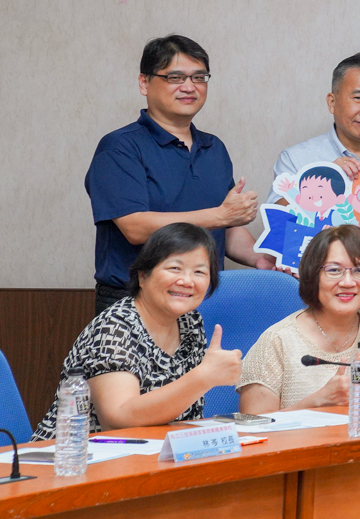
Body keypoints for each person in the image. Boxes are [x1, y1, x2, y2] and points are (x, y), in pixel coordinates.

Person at [85, 34, 264, 312]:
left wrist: (259, 259)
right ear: (144, 83)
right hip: (135, 301)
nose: (189, 87)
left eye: (199, 77)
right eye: (175, 77)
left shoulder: (214, 147)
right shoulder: (120, 147)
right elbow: (134, 227)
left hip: (204, 298)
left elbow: (226, 229)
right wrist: (220, 215)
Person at [36, 223, 242, 436]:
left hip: (158, 449)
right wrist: (203, 377)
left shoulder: (190, 322)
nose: (187, 281)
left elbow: (187, 414)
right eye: (175, 268)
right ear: (142, 276)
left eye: (199, 272)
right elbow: (118, 421)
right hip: (74, 451)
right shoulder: (114, 327)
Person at [238, 224, 360, 413]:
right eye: (334, 270)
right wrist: (318, 401)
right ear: (312, 276)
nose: (348, 282)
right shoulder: (277, 340)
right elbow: (254, 427)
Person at [271, 52, 360, 190]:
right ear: (332, 102)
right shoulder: (295, 160)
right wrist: (323, 179)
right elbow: (280, 204)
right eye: (358, 98)